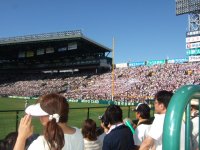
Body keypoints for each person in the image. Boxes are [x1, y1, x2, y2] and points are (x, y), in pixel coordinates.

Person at [14, 93, 84, 150]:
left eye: (41, 114)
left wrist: (21, 137)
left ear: (50, 116)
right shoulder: (78, 132)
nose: (39, 117)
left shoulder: (42, 143)